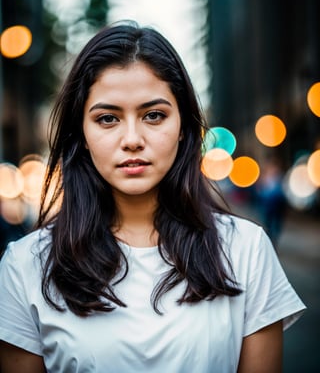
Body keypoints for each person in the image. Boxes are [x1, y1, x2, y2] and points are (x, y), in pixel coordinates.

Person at [0, 21, 305, 373]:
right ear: (81, 132)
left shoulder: (246, 252)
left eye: (154, 115)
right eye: (108, 118)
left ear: (183, 128)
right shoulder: (25, 268)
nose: (132, 138)